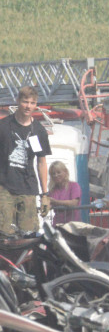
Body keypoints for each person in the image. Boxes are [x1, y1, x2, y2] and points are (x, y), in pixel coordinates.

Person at [0, 86, 51, 236]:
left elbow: (41, 163)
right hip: (4, 187)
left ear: (36, 105)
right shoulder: (3, 126)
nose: (28, 106)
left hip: (28, 188)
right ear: (18, 101)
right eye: (25, 102)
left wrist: (45, 195)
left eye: (32, 102)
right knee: (3, 234)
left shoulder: (39, 130)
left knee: (29, 235)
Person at [47, 161, 81, 225]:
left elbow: (74, 203)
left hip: (73, 225)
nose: (56, 175)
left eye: (58, 172)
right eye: (53, 174)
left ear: (65, 172)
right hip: (58, 225)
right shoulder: (52, 190)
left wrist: (55, 202)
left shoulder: (74, 186)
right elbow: (48, 206)